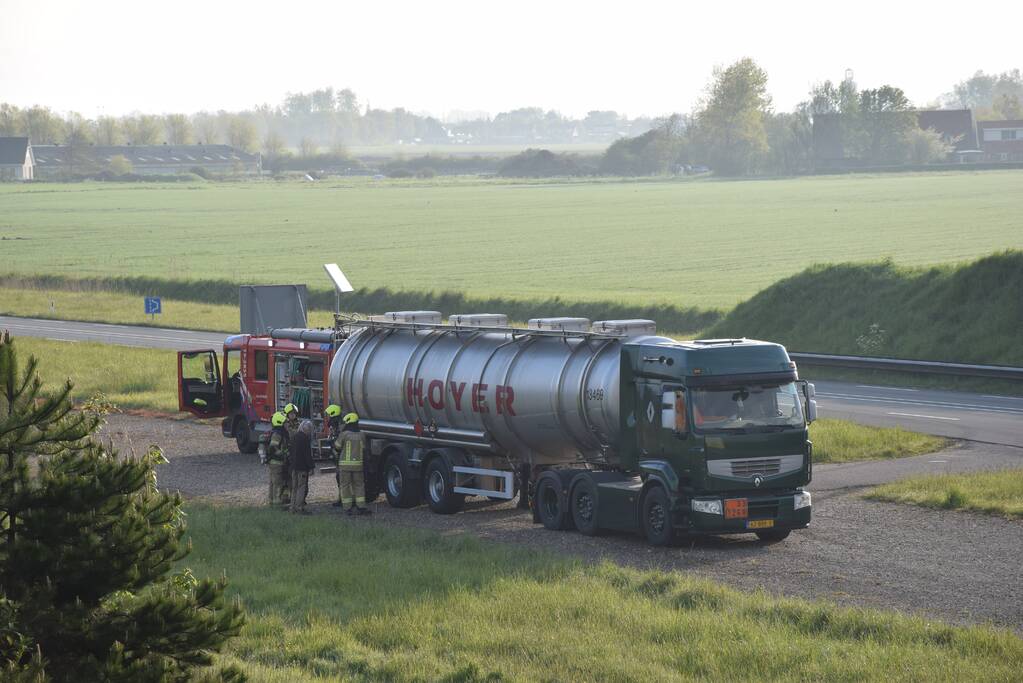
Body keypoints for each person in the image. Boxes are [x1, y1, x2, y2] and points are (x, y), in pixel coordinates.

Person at [336, 412, 371, 516]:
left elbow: (337, 446)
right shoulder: (362, 434)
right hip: (358, 466)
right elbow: (364, 448)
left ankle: (347, 508)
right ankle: (361, 507)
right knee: (359, 485)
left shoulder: (344, 434)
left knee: (345, 486)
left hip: (345, 466)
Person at [289, 420, 315, 514]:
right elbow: (307, 455)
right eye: (310, 430)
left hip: (293, 467)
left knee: (294, 487)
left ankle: (292, 508)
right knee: (301, 487)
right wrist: (311, 467)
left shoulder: (294, 437)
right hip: (302, 468)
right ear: (307, 429)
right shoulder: (305, 439)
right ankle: (299, 507)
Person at [265, 412, 290, 507]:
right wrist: (284, 454)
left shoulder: (278, 432)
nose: (287, 425)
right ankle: (277, 503)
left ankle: (272, 501)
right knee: (277, 483)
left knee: (273, 482)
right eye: (285, 423)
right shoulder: (278, 434)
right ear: (280, 423)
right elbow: (273, 448)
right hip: (277, 463)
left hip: (275, 463)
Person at [323, 404, 344, 507]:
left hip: (341, 457)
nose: (328, 418)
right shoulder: (336, 426)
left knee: (341, 478)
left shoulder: (340, 427)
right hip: (338, 457)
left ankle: (343, 499)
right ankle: (341, 498)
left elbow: (339, 443)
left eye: (329, 416)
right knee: (339, 478)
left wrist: (332, 444)